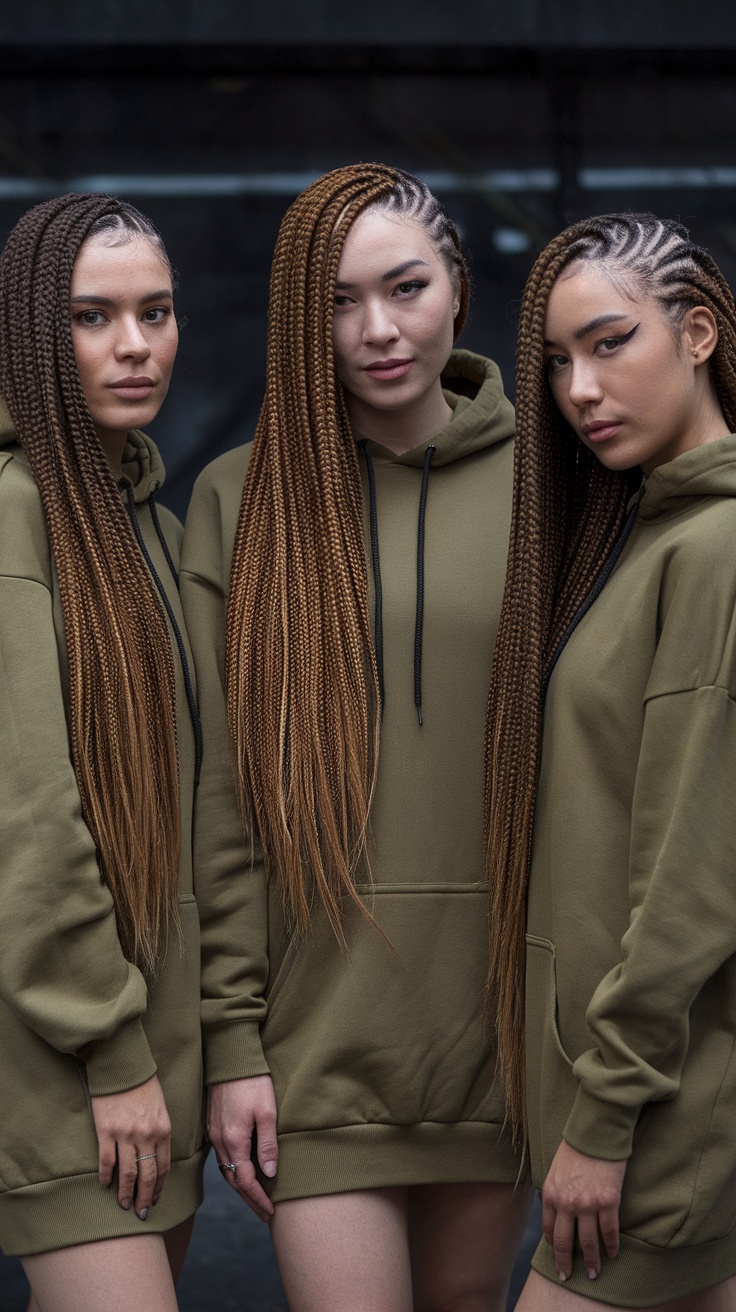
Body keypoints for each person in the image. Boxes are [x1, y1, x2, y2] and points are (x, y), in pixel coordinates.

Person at [181, 162, 532, 1312]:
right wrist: (231, 1042)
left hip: (503, 1036)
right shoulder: (242, 500)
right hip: (316, 1042)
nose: (376, 329)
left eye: (405, 286)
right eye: (336, 300)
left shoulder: (560, 490)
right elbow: (219, 796)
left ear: (459, 291)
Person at [487, 211, 736, 1310]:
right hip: (643, 1111)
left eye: (608, 341)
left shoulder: (719, 548)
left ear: (697, 333)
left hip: (651, 1123)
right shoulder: (650, 536)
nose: (578, 387)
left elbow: (691, 877)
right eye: (554, 360)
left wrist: (603, 1118)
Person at [0, 193, 206, 1312]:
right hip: (69, 1061)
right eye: (92, 316)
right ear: (33, 331)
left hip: (153, 1056)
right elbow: (28, 817)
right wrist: (111, 1049)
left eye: (157, 311)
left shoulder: (154, 530)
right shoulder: (12, 513)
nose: (135, 345)